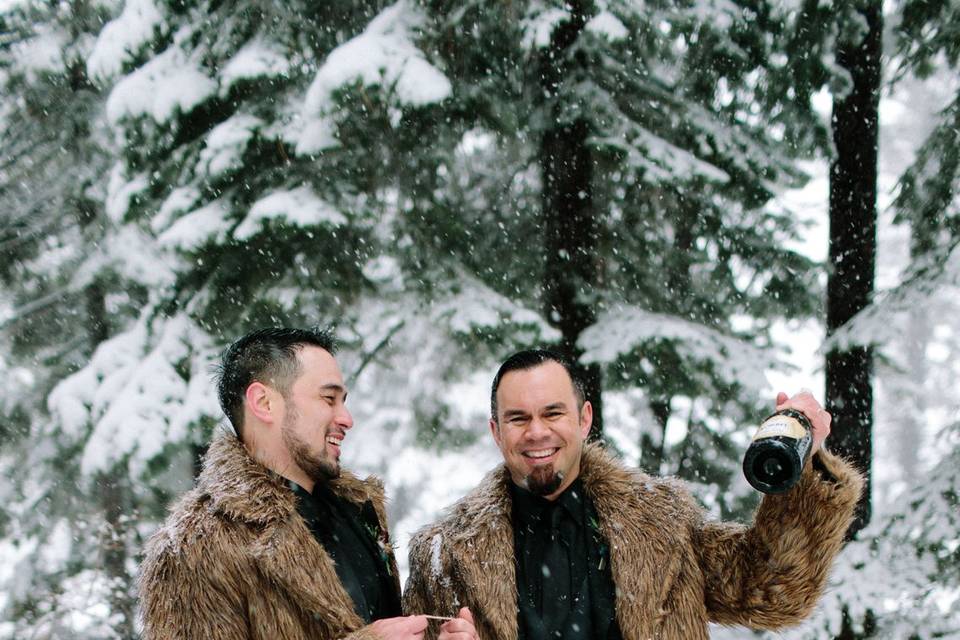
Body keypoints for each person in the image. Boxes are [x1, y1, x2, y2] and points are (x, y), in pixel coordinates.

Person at [404, 349, 864, 640]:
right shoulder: (442, 554)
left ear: (584, 419)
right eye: (519, 418)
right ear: (496, 431)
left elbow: (772, 593)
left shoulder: (663, 521)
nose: (537, 432)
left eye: (553, 413)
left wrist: (803, 464)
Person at [139, 327, 476, 640]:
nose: (347, 418)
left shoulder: (360, 512)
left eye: (343, 401)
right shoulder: (193, 547)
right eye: (329, 399)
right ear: (264, 403)